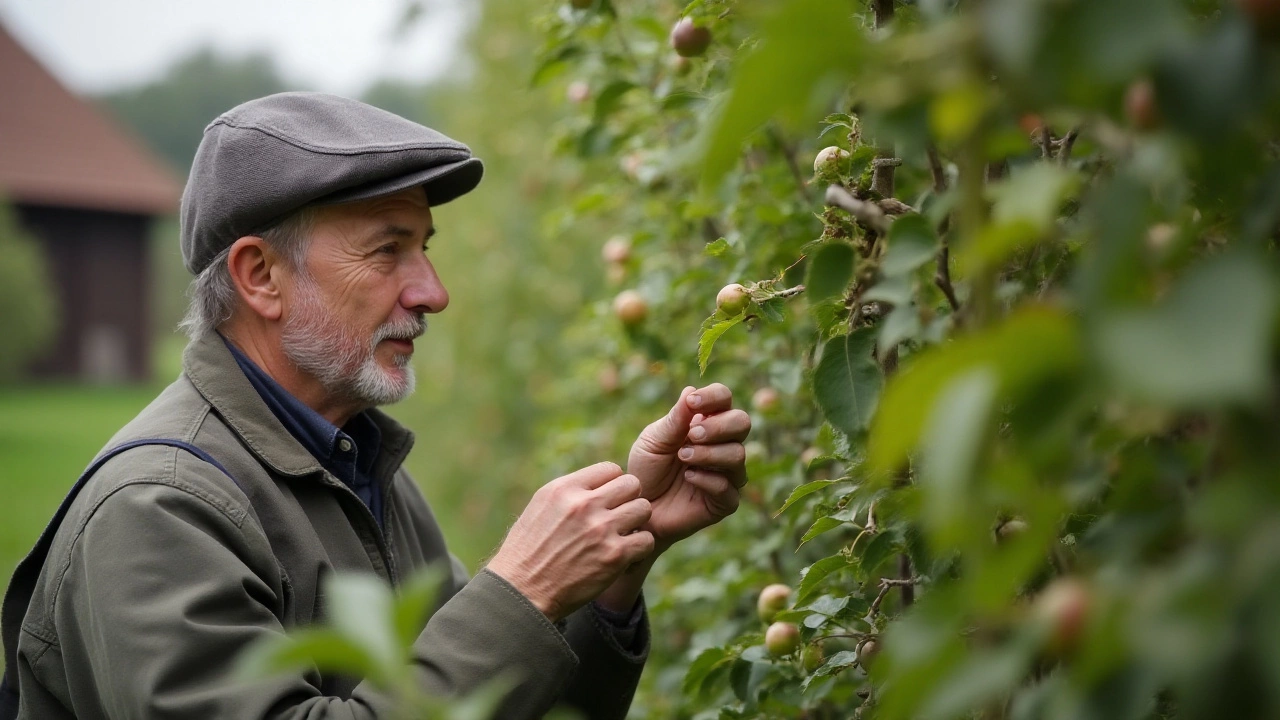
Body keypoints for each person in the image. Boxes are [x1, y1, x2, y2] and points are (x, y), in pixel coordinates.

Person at [0, 92, 751, 720]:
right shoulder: (159, 509)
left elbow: (495, 704)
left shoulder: (353, 464)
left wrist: (618, 565)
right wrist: (523, 591)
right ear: (261, 276)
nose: (433, 292)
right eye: (388, 250)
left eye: (425, 248)